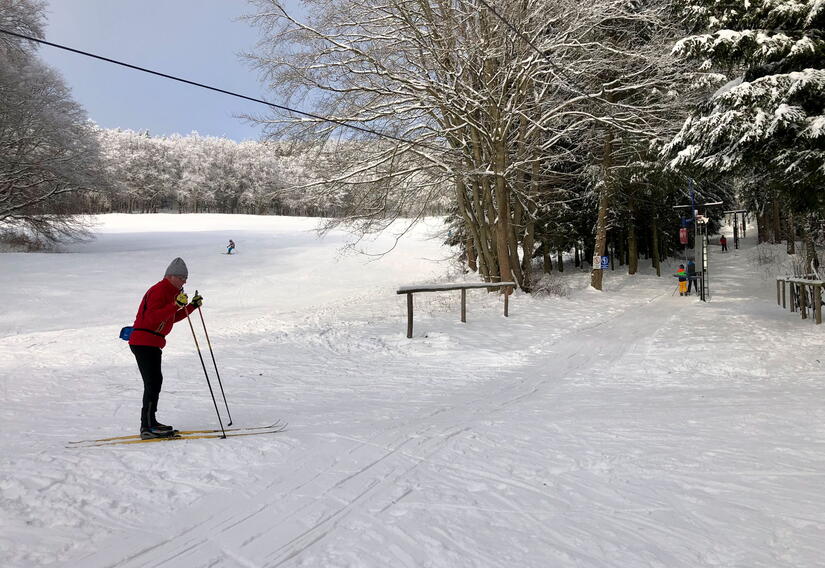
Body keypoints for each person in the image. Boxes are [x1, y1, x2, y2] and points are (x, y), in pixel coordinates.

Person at [128, 258, 203, 439]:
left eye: (186, 278)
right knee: (152, 383)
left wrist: (191, 306)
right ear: (170, 276)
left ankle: (151, 423)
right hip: (144, 341)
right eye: (181, 277)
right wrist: (175, 305)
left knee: (155, 382)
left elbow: (170, 319)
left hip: (152, 342)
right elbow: (152, 318)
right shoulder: (159, 290)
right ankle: (146, 427)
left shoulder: (171, 292)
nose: (185, 281)